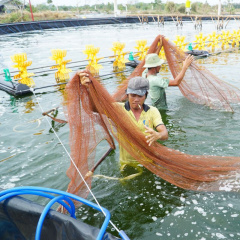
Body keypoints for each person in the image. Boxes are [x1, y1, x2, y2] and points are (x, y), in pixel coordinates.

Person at [78, 71, 168, 173]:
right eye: (133, 95)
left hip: (148, 161)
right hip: (126, 163)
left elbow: (165, 134)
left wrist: (158, 135)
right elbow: (94, 108)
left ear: (146, 95)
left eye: (140, 96)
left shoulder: (152, 111)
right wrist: (88, 89)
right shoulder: (117, 109)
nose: (136, 99)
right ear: (127, 95)